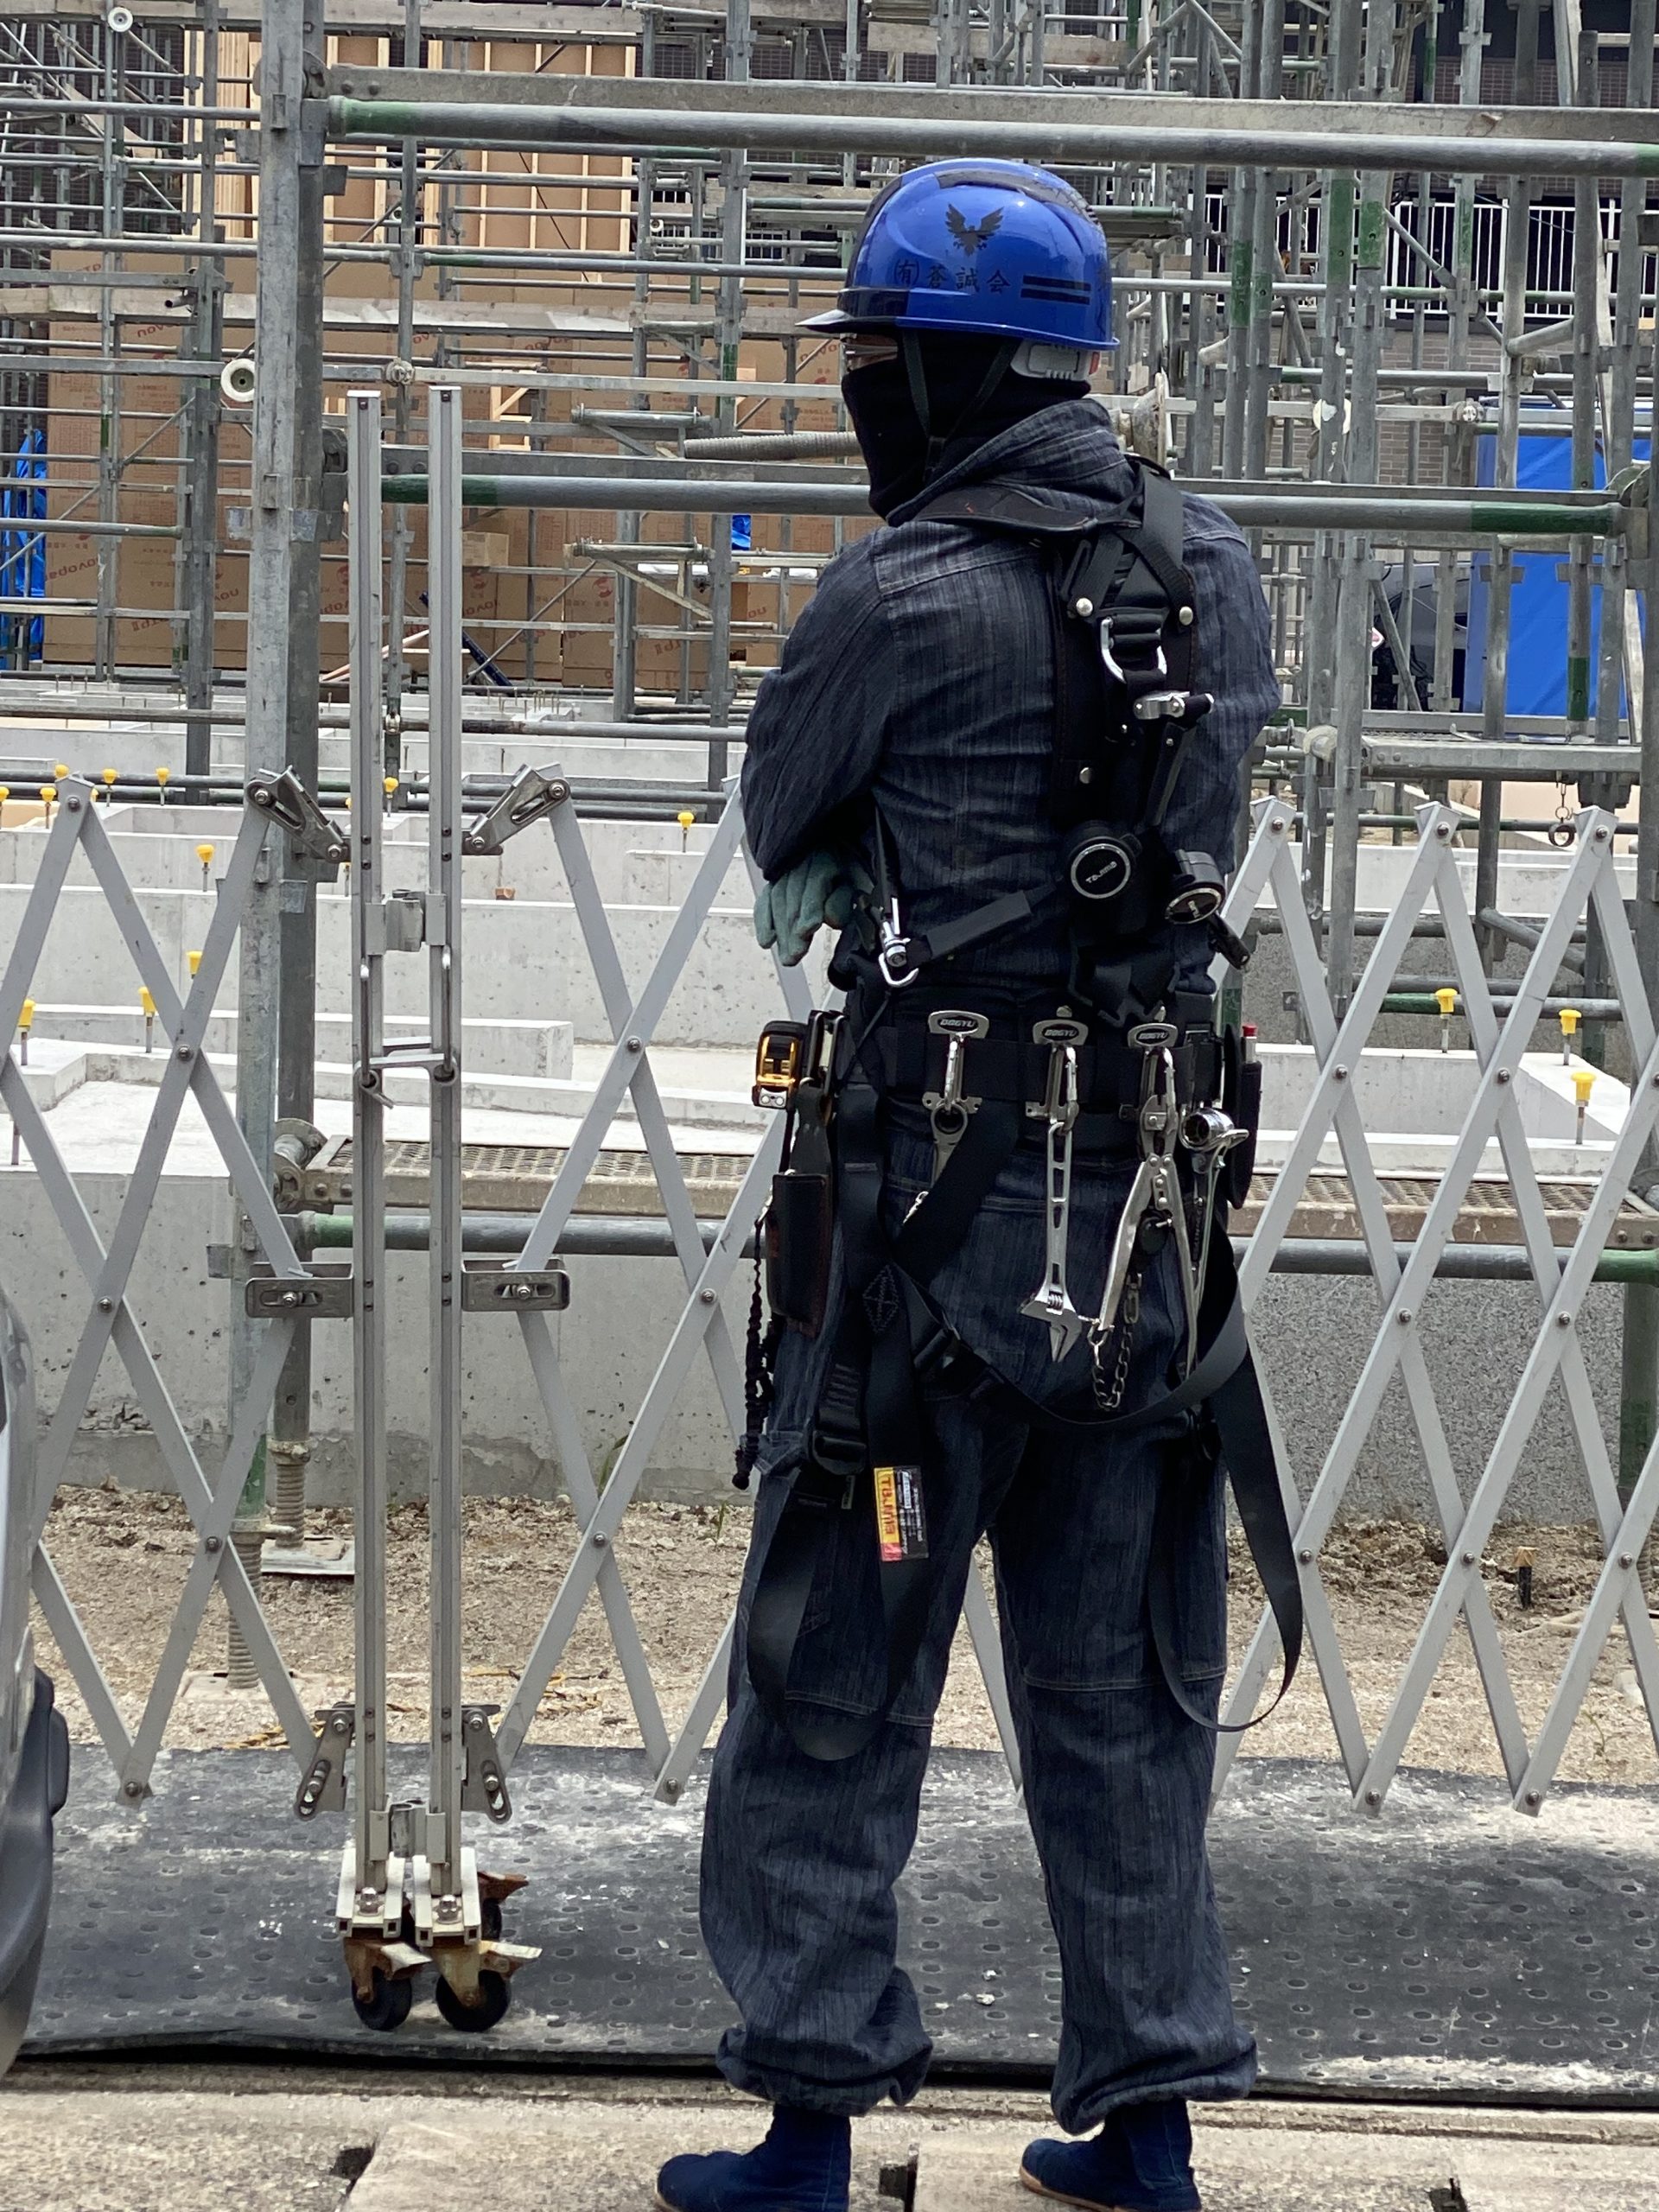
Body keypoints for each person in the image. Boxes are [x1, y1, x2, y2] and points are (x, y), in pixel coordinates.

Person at [655, 159, 1287, 2212]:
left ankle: (809, 2131)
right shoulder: (1217, 573)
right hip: (1143, 1246)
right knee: (1119, 1690)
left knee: (836, 1674)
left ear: (938, 374)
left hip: (920, 1252)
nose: (863, 392)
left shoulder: (898, 593)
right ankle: (1149, 2129)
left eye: (876, 357)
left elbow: (782, 804)